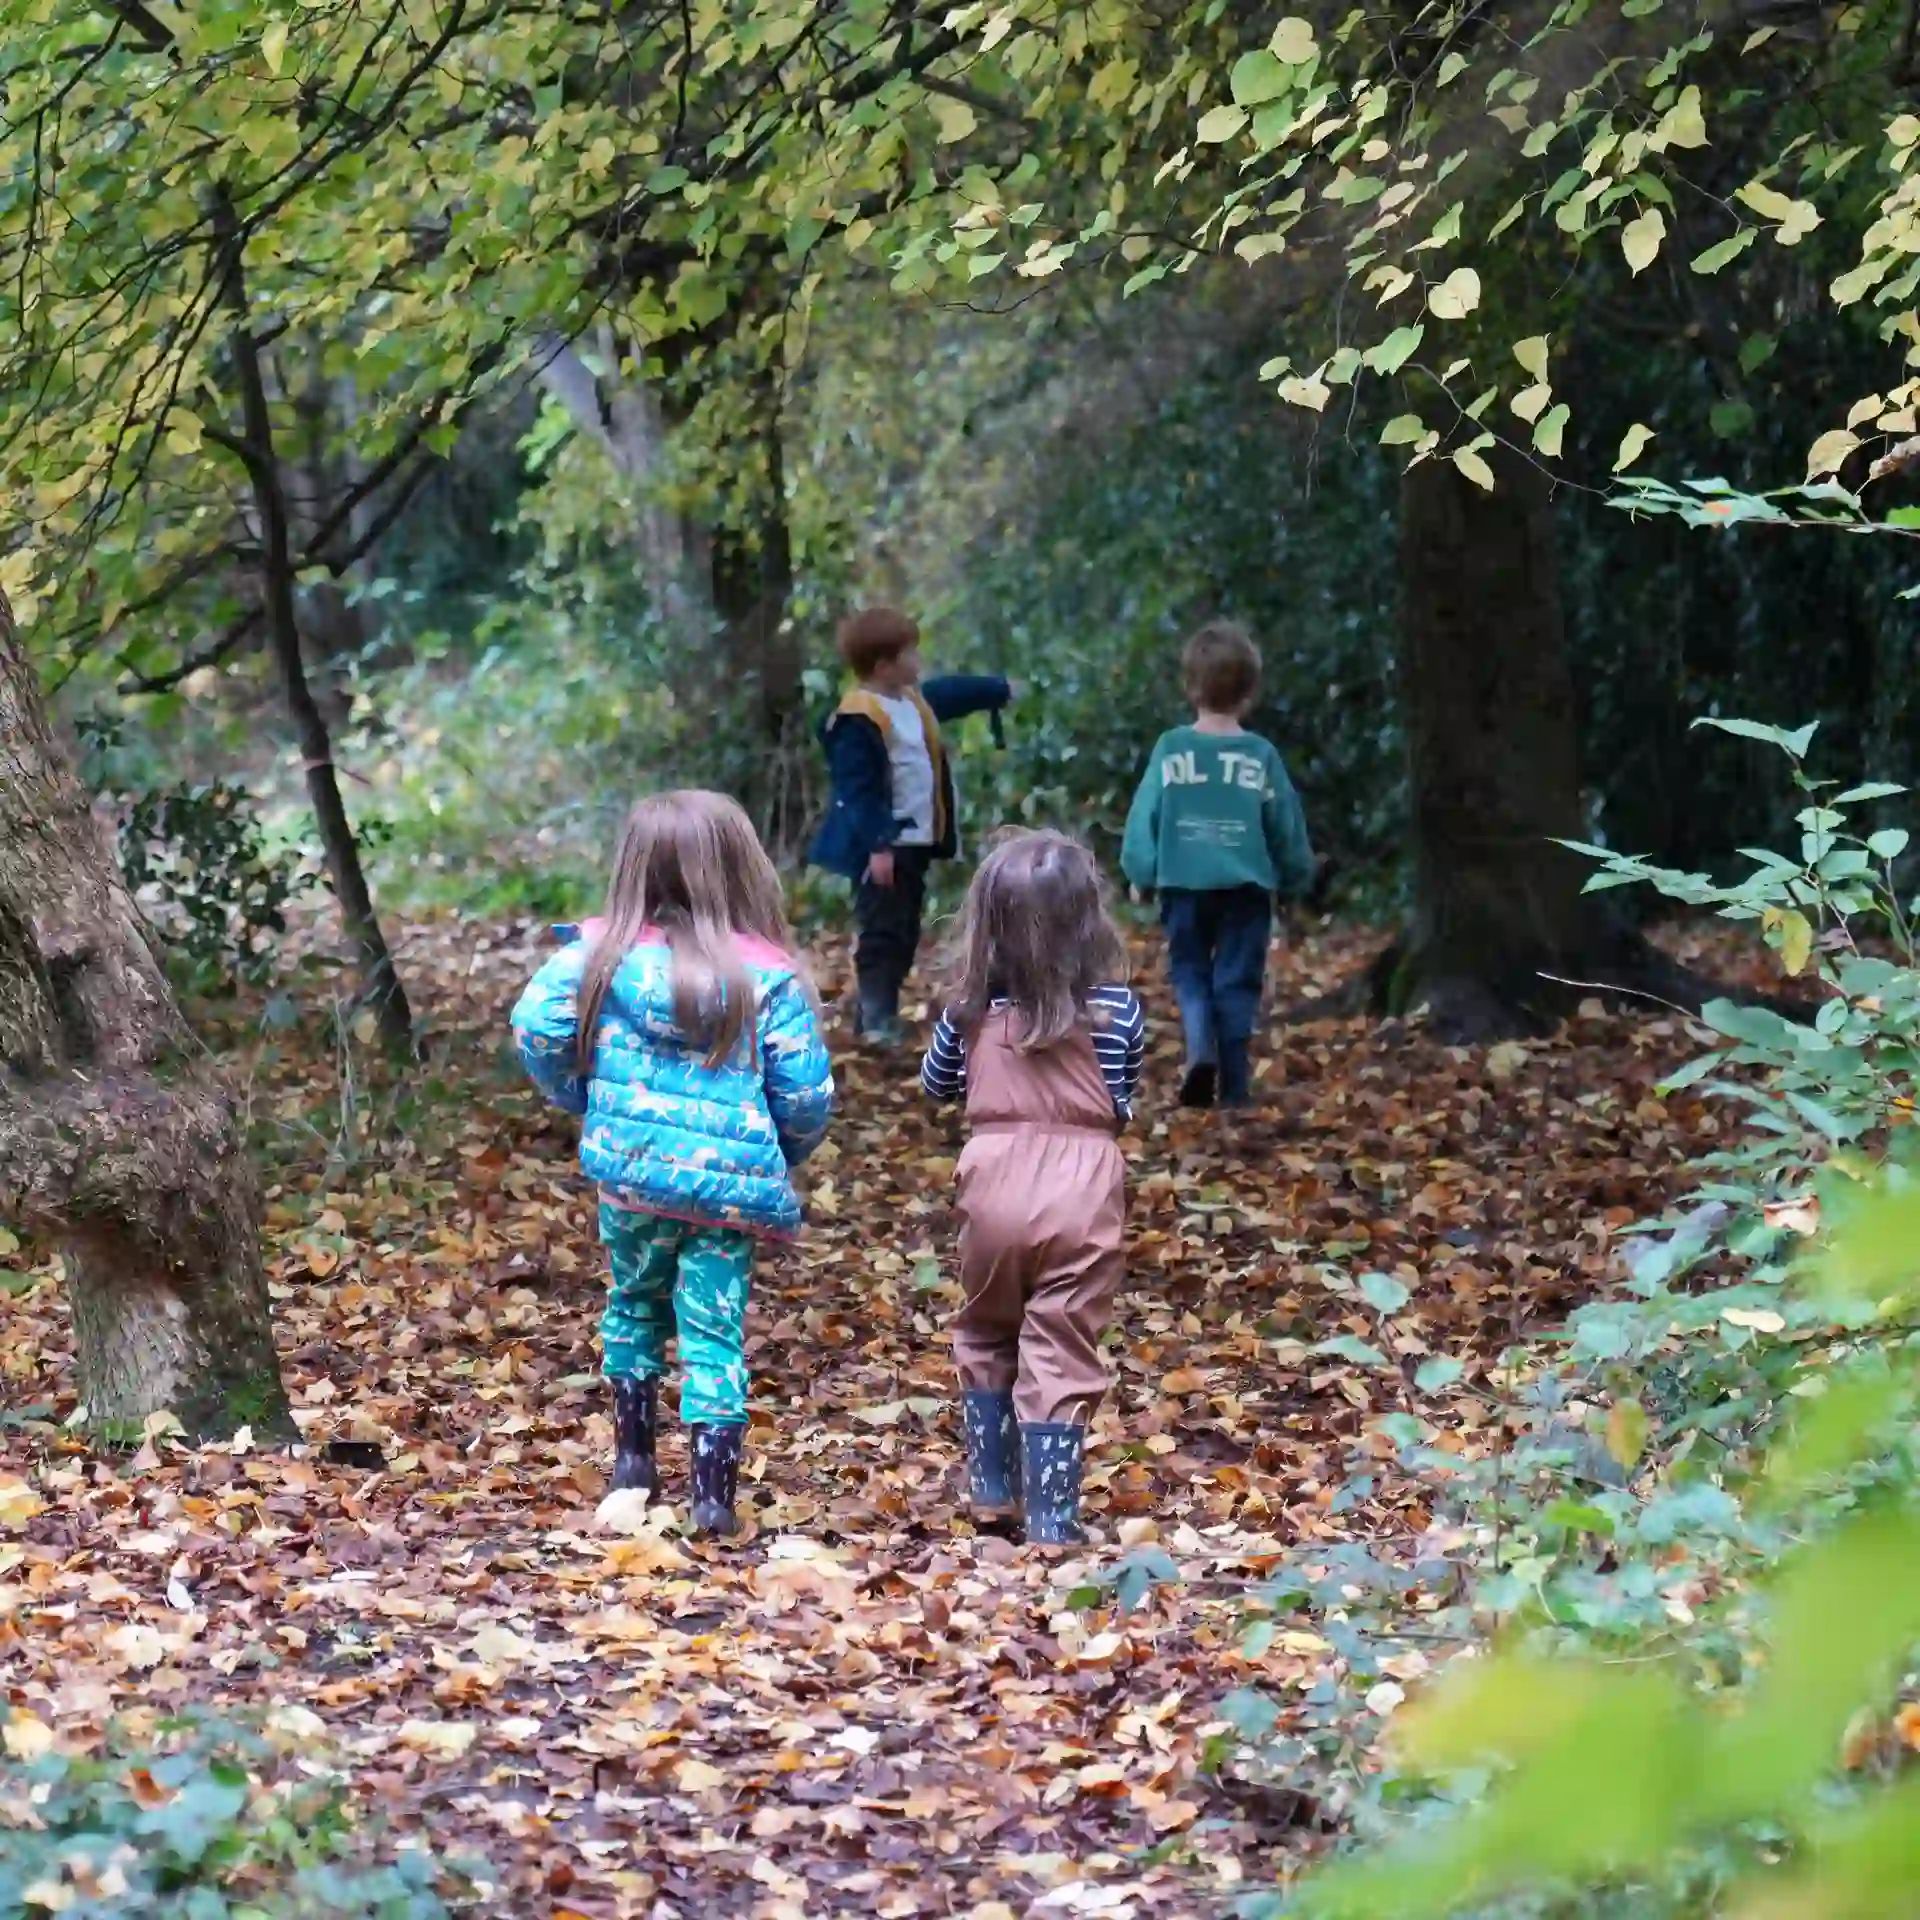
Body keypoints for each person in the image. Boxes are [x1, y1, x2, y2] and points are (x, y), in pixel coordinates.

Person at [512, 790, 834, 1538]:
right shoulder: (765, 975)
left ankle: (633, 1465)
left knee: (631, 1303)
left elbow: (536, 1027)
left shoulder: (599, 956)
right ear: (738, 870)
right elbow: (808, 1092)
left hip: (630, 1177)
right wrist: (774, 1152)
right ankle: (714, 1499)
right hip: (725, 1197)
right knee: (713, 1332)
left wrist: (584, 1099)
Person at [920, 829, 1145, 1545]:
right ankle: (1053, 1515)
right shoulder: (1115, 1011)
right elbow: (1121, 1100)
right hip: (1084, 1185)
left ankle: (990, 1490)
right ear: (1089, 921)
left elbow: (937, 1086)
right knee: (1062, 1339)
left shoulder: (968, 1012)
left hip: (992, 1179)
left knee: (987, 1324)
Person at [1120, 621, 1313, 1110]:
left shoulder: (1171, 750)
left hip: (1182, 882)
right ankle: (1235, 1085)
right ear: (1250, 692)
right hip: (1245, 887)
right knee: (1237, 980)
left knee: (1188, 970)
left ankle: (1199, 1044)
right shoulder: (1260, 756)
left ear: (1190, 687)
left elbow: (1146, 814)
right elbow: (1284, 822)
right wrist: (1295, 875)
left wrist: (1141, 871)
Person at [809, 606, 1014, 1045]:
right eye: (910, 654)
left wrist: (995, 691)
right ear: (884, 665)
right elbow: (856, 790)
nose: (918, 663)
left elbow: (950, 693)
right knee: (882, 930)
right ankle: (876, 1015)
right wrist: (878, 844)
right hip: (882, 847)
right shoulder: (858, 718)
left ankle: (877, 1010)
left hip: (915, 842)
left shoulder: (910, 703)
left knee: (904, 929)